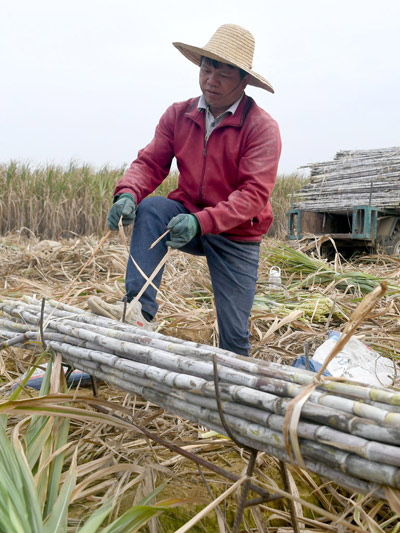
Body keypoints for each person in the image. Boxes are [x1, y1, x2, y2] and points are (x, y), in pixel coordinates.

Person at [88, 24, 281, 356]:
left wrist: (202, 221)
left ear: (244, 80)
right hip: (185, 216)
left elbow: (253, 196)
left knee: (234, 337)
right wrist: (127, 194)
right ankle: (139, 312)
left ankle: (234, 389)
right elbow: (150, 163)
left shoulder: (261, 128)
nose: (211, 80)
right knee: (150, 209)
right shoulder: (179, 115)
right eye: (207, 69)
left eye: (223, 73)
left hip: (236, 234)